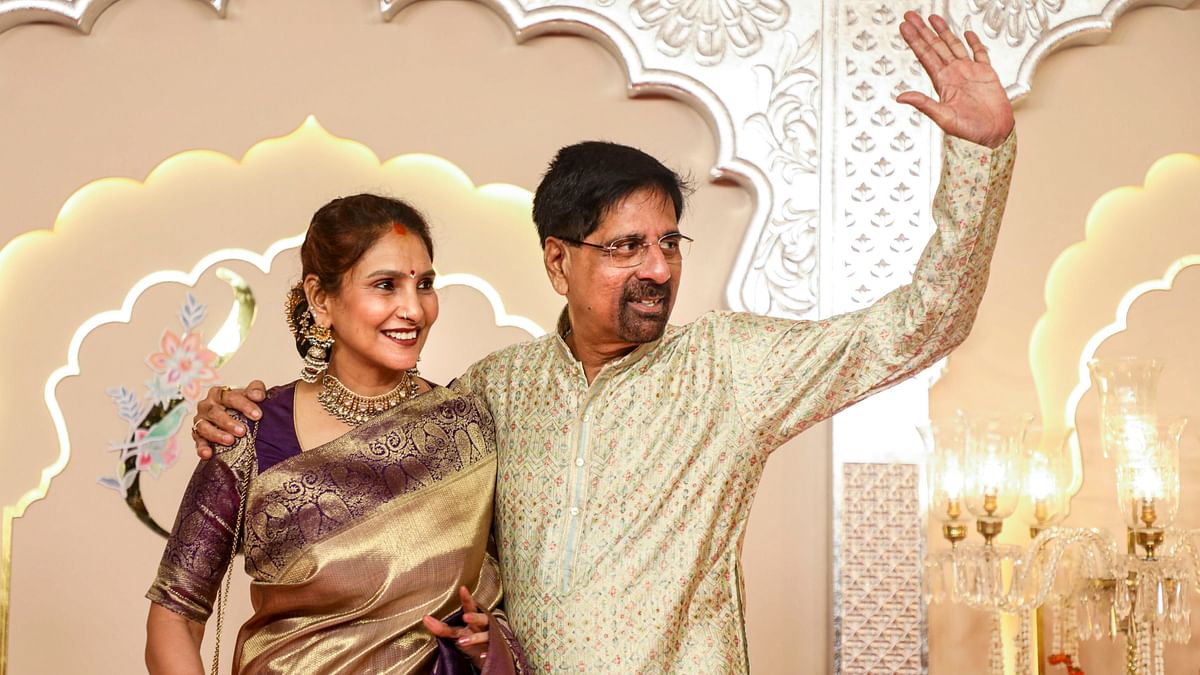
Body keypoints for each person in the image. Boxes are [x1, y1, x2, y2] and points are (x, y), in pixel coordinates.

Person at [193, 13, 1016, 672]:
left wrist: (979, 157)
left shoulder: (728, 366)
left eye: (669, 243)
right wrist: (240, 414)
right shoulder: (495, 393)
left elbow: (923, 321)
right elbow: (372, 450)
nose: (657, 267)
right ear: (558, 259)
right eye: (626, 248)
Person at [146, 195, 527, 674]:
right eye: (385, 285)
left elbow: (517, 584)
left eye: (424, 284)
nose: (414, 309)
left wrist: (493, 644)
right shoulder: (252, 433)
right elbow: (174, 614)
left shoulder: (467, 426)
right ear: (320, 299)